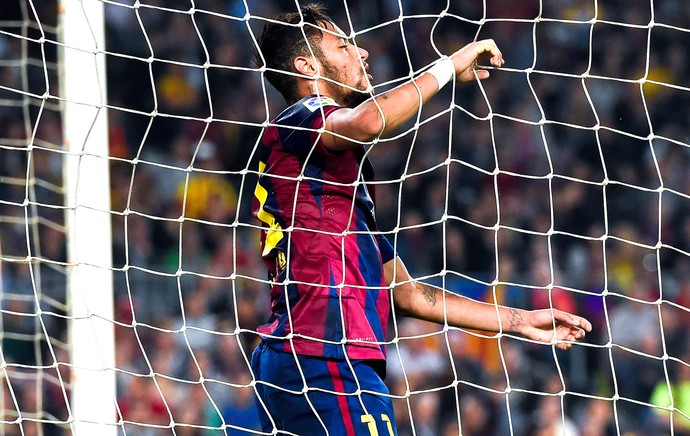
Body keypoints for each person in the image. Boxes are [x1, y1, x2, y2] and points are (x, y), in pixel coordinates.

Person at [250, 4, 592, 435]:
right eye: (343, 44)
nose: (362, 53)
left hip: (299, 358)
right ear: (306, 65)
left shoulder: (333, 200)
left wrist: (520, 322)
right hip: (324, 355)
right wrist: (449, 65)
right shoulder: (300, 116)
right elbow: (372, 120)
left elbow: (410, 295)